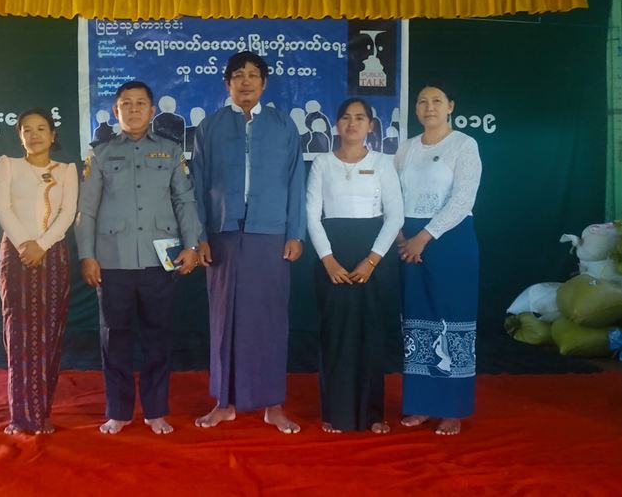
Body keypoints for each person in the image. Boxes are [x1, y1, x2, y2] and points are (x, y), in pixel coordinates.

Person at [75, 81, 200, 435]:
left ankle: (156, 410)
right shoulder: (100, 154)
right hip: (111, 260)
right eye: (126, 104)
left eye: (140, 103)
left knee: (157, 339)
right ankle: (118, 410)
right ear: (116, 111)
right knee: (114, 338)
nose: (133, 109)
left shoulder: (170, 151)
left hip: (159, 260)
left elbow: (184, 200)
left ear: (152, 110)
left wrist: (192, 245)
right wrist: (87, 255)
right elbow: (87, 209)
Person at [192, 51, 306, 434]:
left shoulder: (283, 126)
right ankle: (223, 403)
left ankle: (273, 404)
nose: (245, 82)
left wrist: (295, 233)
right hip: (222, 234)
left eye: (253, 75)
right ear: (227, 83)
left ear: (264, 83)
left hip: (271, 233)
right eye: (238, 75)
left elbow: (296, 182)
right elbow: (197, 185)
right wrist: (199, 236)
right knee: (223, 320)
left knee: (270, 320)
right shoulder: (210, 127)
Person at [306, 98, 403, 434]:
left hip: (373, 256)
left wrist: (372, 260)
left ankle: (372, 414)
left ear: (370, 126)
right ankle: (335, 413)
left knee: (371, 334)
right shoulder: (322, 163)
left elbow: (395, 216)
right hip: (332, 254)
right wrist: (327, 259)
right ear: (336, 124)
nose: (352, 123)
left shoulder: (383, 163)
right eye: (346, 117)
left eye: (360, 118)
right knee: (335, 334)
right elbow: (312, 215)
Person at [394, 84, 482, 436]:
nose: (429, 107)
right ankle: (420, 404)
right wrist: (401, 237)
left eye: (436, 101)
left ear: (450, 107)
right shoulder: (405, 149)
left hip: (450, 240)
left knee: (451, 321)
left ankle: (452, 409)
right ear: (415, 109)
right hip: (408, 242)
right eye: (422, 102)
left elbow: (463, 199)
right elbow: (393, 196)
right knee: (417, 323)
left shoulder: (464, 145)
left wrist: (424, 236)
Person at [0, 108, 78, 435]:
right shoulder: (8, 165)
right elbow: (2, 207)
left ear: (53, 135)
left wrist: (41, 245)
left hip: (53, 254)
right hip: (15, 254)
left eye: (41, 128)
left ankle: (42, 413)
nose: (34, 135)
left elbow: (68, 212)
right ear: (20, 137)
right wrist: (24, 244)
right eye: (27, 129)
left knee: (49, 333)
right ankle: (21, 417)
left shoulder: (67, 170)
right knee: (19, 334)